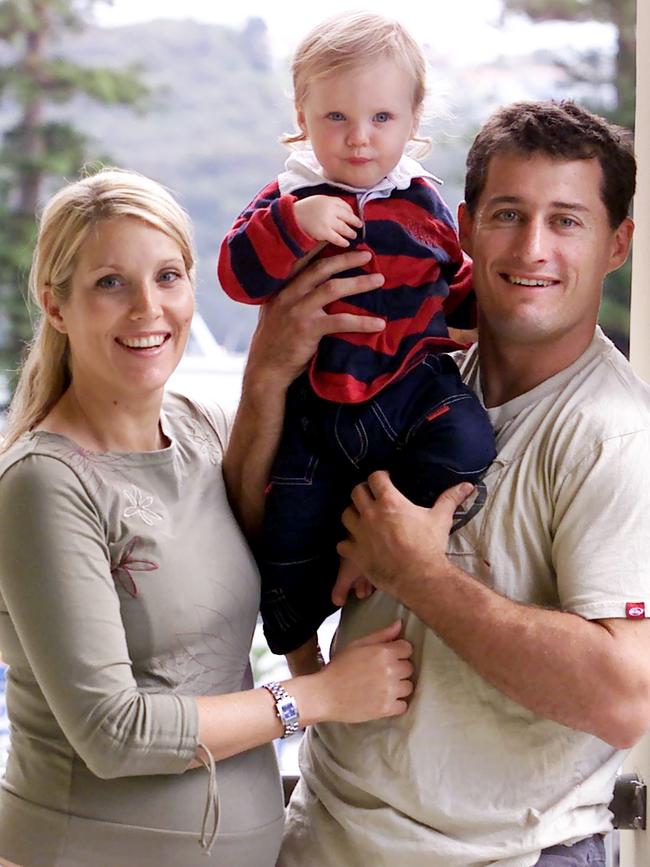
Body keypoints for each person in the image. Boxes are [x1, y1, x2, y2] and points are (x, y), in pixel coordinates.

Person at [227, 100, 650, 867]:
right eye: (508, 214)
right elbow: (265, 533)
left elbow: (624, 698)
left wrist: (417, 574)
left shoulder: (614, 436)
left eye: (566, 221)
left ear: (617, 242)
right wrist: (266, 377)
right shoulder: (409, 371)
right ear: (459, 227)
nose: (532, 247)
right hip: (325, 835)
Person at [0, 168, 415, 867]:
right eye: (110, 283)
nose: (147, 309)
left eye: (168, 277)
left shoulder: (203, 430)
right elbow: (115, 731)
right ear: (56, 304)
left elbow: (300, 506)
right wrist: (318, 695)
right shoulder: (44, 484)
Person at [218, 11, 496, 661]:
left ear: (413, 118)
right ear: (303, 114)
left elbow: (452, 285)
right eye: (336, 118)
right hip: (316, 410)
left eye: (381, 119)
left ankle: (366, 554)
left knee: (468, 440)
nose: (359, 139)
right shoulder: (290, 193)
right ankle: (299, 650)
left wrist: (490, 291)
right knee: (282, 538)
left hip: (408, 388)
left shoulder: (423, 202)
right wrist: (294, 221)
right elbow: (237, 274)